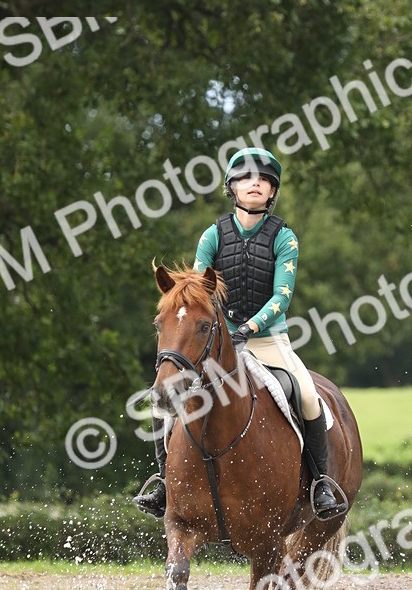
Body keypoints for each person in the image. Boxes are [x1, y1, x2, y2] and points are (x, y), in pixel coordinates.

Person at [135, 147, 347, 521]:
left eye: (264, 180)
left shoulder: (284, 238)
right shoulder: (213, 235)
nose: (255, 184)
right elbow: (199, 290)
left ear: (271, 192)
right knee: (166, 400)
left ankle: (321, 484)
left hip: (268, 340)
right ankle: (164, 484)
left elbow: (282, 296)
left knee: (308, 395)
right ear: (231, 187)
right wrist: (221, 329)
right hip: (214, 342)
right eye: (246, 178)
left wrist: (249, 327)